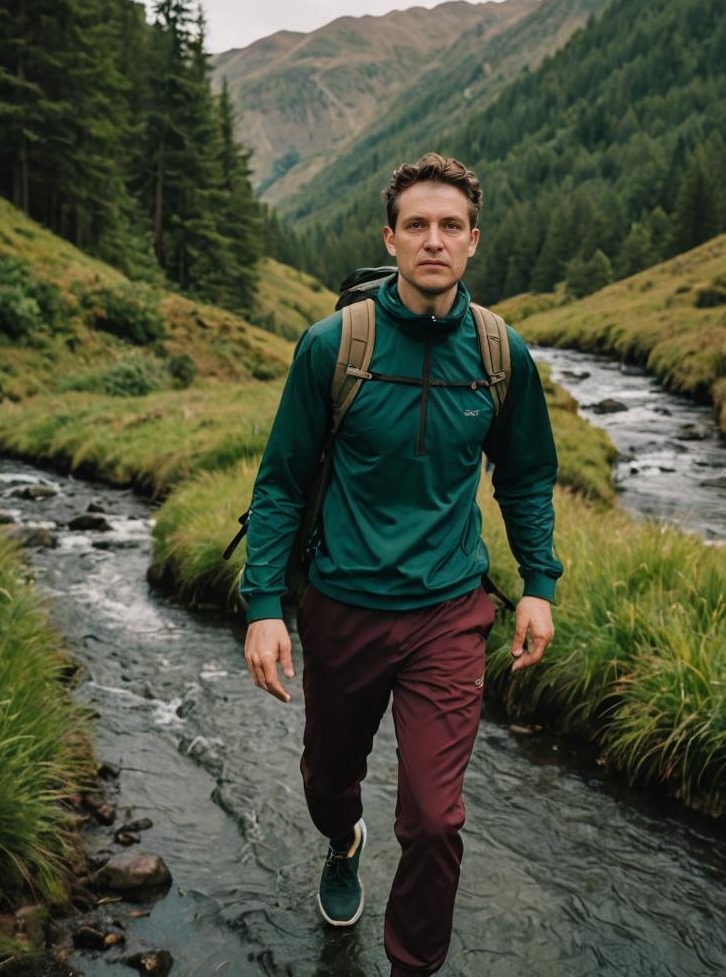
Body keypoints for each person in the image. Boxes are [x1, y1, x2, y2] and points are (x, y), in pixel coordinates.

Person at [240, 152, 564, 976]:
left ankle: (412, 964)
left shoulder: (500, 355)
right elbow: (279, 483)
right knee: (327, 782)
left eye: (449, 226)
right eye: (416, 225)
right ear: (390, 238)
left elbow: (524, 476)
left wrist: (538, 585)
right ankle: (341, 841)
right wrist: (263, 606)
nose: (433, 240)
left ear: (473, 242)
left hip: (449, 613)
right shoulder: (333, 347)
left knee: (434, 819)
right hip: (341, 605)